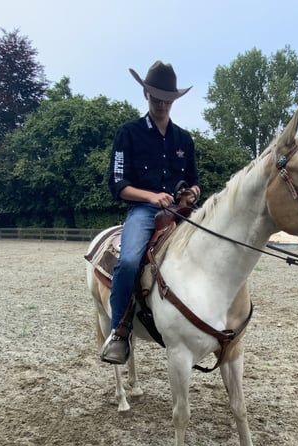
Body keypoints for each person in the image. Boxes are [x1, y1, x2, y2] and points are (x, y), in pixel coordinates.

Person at [100, 61, 201, 365]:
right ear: (146, 96)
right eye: (155, 98)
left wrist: (193, 193)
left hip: (181, 211)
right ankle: (119, 331)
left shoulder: (184, 139)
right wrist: (151, 196)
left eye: (166, 99)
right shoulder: (128, 133)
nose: (161, 104)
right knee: (129, 260)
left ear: (173, 100)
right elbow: (117, 185)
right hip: (144, 212)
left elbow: (195, 181)